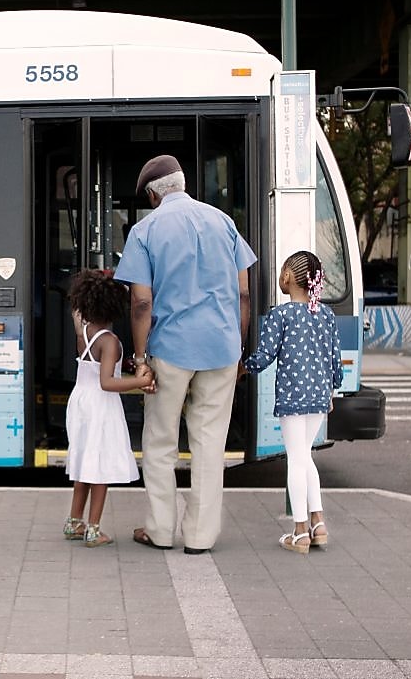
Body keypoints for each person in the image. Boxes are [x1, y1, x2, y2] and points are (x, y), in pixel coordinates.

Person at [114, 154, 257, 554]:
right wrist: (240, 346)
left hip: (170, 350)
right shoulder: (223, 222)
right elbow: (243, 294)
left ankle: (160, 531)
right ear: (181, 184)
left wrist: (141, 359)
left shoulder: (145, 231)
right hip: (223, 348)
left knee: (160, 442)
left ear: (152, 195)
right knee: (210, 444)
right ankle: (200, 537)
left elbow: (141, 304)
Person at [241, 250, 342, 554]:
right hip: (320, 396)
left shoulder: (281, 315)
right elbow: (335, 359)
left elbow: (264, 355)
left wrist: (242, 368)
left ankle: (300, 531)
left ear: (287, 277)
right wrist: (331, 392)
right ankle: (318, 522)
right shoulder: (326, 314)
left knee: (296, 460)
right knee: (305, 456)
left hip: (293, 396)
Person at [63, 269, 155, 548]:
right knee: (99, 468)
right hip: (101, 407)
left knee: (83, 465)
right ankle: (94, 529)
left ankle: (74, 522)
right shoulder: (111, 341)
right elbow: (107, 382)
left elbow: (95, 371)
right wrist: (140, 381)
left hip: (80, 401)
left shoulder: (86, 333)